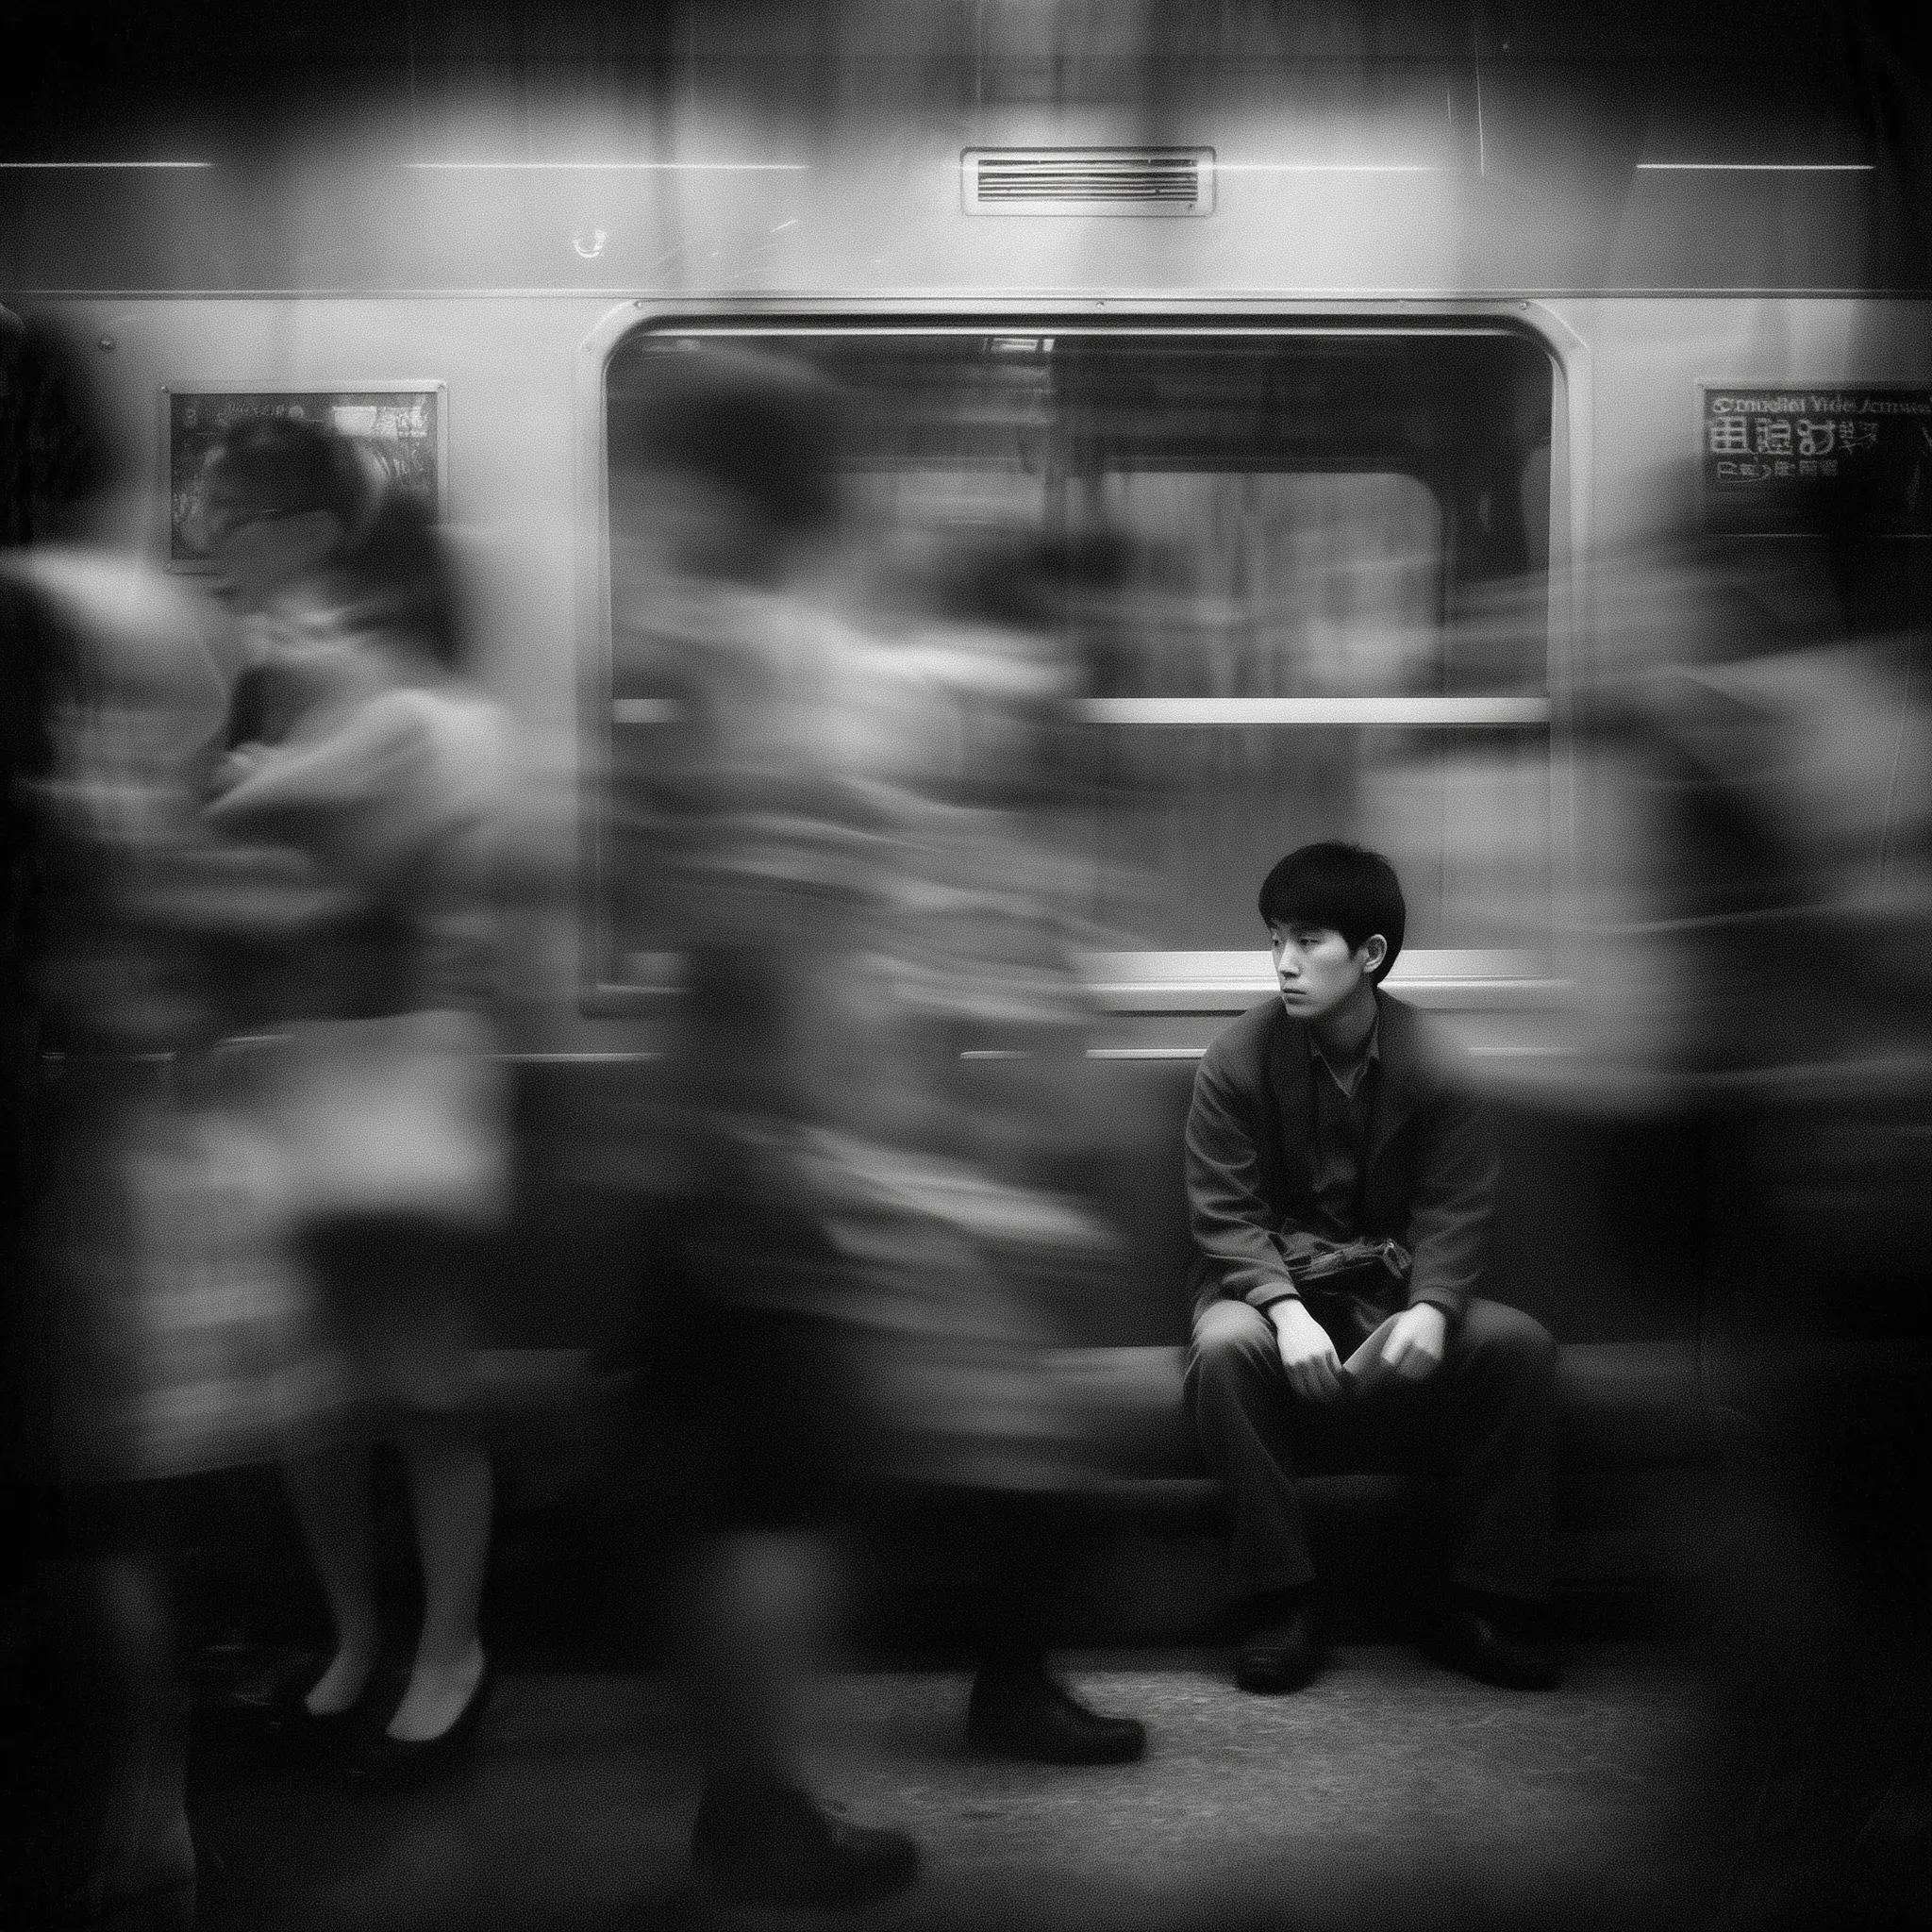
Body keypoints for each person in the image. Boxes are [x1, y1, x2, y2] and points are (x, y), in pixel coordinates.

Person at [197, 419, 508, 1788]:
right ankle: (353, 1634)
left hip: (404, 1062)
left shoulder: (428, 712)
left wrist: (264, 822)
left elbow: (361, 881)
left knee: (425, 1386)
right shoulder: (276, 693)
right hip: (291, 1060)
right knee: (311, 1398)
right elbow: (227, 855)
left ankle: (450, 1650)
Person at [1184, 841, 1559, 1693]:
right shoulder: (1236, 1059)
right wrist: (1284, 1310)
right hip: (1268, 1288)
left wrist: (1432, 1306)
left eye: (1307, 940)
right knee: (1227, 1348)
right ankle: (1282, 1603)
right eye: (1275, 939)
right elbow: (1225, 1216)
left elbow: (1457, 1203)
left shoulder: (1435, 1057)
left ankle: (1485, 1605)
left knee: (1519, 1348)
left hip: (1391, 1289)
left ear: (1371, 955)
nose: (1284, 962)